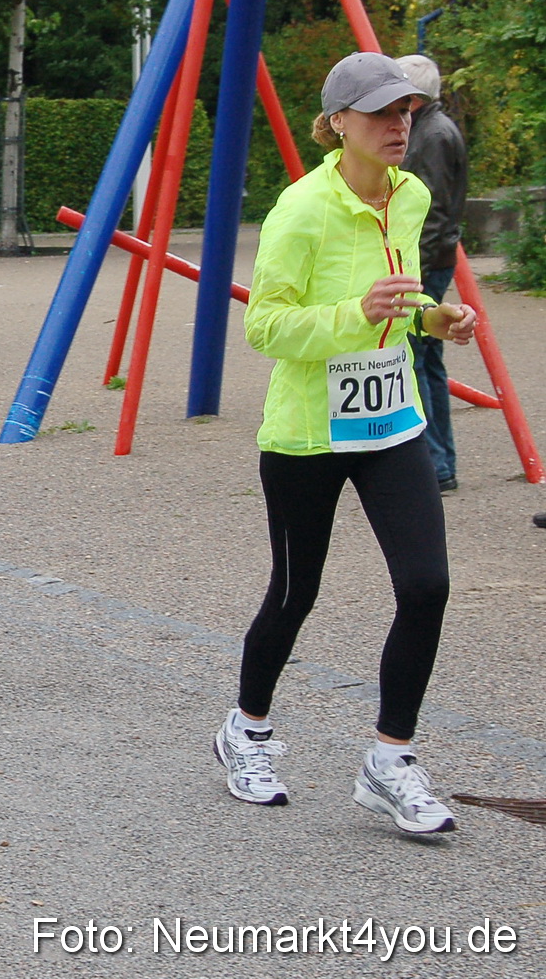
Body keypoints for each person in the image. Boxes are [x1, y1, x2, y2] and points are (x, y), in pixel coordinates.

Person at [215, 52, 478, 835]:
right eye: (379, 113)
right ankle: (246, 730)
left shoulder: (412, 194)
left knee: (426, 585)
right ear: (336, 124)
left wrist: (434, 318)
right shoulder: (300, 210)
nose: (398, 124)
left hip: (390, 421)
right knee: (295, 593)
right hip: (307, 434)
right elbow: (264, 325)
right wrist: (355, 314)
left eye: (405, 111)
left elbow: (400, 301)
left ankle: (389, 760)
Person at [394, 55, 468, 494]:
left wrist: (412, 273)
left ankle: (434, 463)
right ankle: (439, 462)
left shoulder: (433, 135)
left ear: (413, 97)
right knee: (429, 361)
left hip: (427, 260)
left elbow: (434, 211)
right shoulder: (433, 129)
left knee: (417, 358)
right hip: (433, 257)